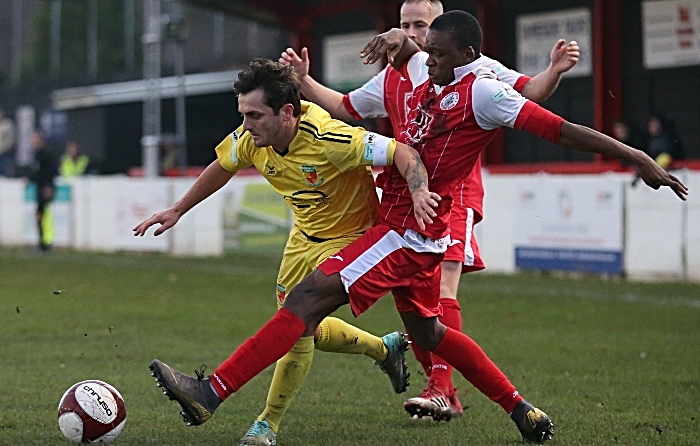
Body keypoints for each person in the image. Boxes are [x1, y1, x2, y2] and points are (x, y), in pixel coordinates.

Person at [141, 12, 686, 445]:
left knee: (305, 300)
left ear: (468, 55)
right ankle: (521, 408)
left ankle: (211, 392)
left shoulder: (485, 93)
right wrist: (398, 41)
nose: (433, 65)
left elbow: (562, 131)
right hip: (413, 226)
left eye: (441, 56)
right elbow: (392, 69)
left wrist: (635, 155)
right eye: (429, 53)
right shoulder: (428, 70)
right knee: (429, 335)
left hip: (409, 229)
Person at [279, 0, 580, 421]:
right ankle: (449, 391)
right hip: (409, 194)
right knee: (419, 313)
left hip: (452, 192)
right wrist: (305, 81)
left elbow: (530, 95)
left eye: (421, 24)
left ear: (438, 25)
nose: (413, 32)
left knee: (443, 292)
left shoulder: (476, 71)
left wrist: (554, 71)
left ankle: (442, 389)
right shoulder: (393, 77)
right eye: (405, 25)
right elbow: (346, 107)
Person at [135, 59, 438, 445]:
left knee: (298, 321)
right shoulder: (252, 137)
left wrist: (418, 191)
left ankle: (266, 424)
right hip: (304, 237)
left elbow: (403, 152)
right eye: (243, 114)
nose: (246, 125)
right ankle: (383, 348)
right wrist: (178, 209)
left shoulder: (330, 137)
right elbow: (222, 165)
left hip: (349, 240)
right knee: (294, 322)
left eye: (255, 115)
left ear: (287, 113)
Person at [28, 130, 58, 251]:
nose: (33, 143)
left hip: (45, 188)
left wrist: (48, 186)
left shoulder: (46, 155)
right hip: (39, 188)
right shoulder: (37, 155)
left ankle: (46, 242)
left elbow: (50, 173)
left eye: (35, 140)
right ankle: (42, 242)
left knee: (44, 215)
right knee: (39, 214)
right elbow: (37, 173)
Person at [0, 107, 16, 177]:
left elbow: (11, 140)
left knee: (4, 171)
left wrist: (4, 148)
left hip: (4, 152)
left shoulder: (7, 125)